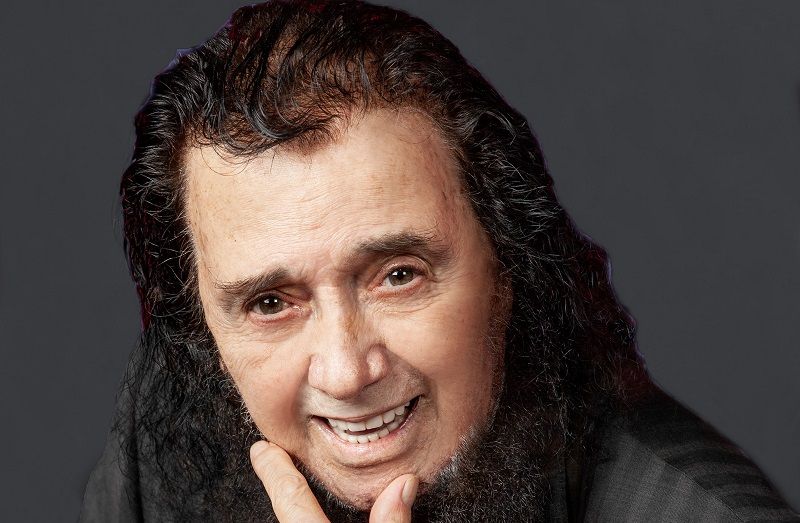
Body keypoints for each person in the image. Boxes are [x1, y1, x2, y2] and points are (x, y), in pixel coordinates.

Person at [80, 1, 798, 521]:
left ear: (508, 268)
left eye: (399, 275)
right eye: (270, 303)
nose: (346, 372)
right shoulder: (166, 441)